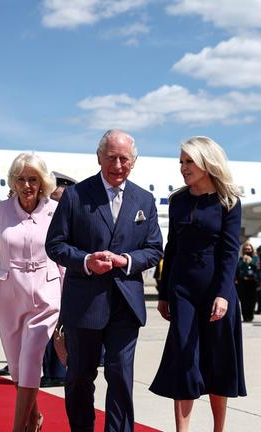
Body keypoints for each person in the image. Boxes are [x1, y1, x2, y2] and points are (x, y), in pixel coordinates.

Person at [45, 129, 163, 432]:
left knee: (121, 375)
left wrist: (126, 261)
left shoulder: (144, 199)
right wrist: (86, 261)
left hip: (126, 303)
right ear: (99, 157)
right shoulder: (75, 196)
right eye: (111, 157)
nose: (118, 165)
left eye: (124, 158)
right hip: (85, 304)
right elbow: (55, 244)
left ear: (133, 161)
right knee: (80, 377)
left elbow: (154, 249)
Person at [150, 136, 246, 432]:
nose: (183, 167)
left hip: (217, 291)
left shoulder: (229, 202)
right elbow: (172, 248)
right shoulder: (178, 201)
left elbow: (230, 252)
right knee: (184, 360)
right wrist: (164, 292)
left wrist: (223, 294)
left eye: (189, 161)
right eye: (181, 161)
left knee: (218, 361)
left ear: (207, 162)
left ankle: (219, 429)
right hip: (182, 290)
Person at [0, 153, 61, 431]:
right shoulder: (1, 211)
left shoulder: (56, 211)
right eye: (21, 179)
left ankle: (18, 428)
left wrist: (70, 301)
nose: (26, 185)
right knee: (16, 366)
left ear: (43, 182)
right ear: (13, 181)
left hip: (46, 293)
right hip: (9, 295)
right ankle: (33, 418)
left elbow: (63, 260)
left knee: (31, 357)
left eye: (33, 179)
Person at [41, 176, 75, 388]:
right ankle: (52, 371)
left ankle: (59, 371)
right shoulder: (48, 215)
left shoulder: (74, 215)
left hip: (67, 276)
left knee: (62, 328)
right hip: (49, 277)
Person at [236, 242, 259, 323]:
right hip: (243, 282)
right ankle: (245, 316)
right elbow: (238, 268)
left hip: (253, 282)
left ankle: (250, 316)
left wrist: (250, 261)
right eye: (245, 249)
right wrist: (244, 261)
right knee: (244, 300)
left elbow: (257, 267)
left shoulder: (255, 258)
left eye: (249, 249)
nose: (247, 250)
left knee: (252, 300)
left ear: (252, 250)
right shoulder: (241, 259)